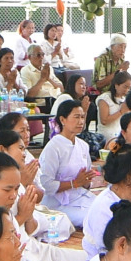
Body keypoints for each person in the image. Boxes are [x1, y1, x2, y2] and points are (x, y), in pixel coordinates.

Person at [40, 98, 102, 233]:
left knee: (107, 210)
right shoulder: (53, 147)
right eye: (76, 117)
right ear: (63, 120)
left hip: (79, 196)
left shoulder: (83, 145)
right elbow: (46, 185)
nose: (81, 121)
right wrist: (75, 183)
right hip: (57, 204)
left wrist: (86, 181)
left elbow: (84, 182)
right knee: (94, 219)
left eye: (82, 117)